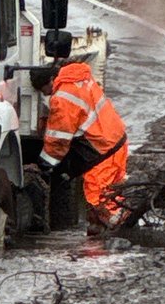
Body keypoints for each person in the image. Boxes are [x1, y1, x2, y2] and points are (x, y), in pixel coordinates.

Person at [28, 60, 128, 231]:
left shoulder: (62, 98)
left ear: (51, 80)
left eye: (45, 91)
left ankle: (118, 236)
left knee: (98, 201)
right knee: (113, 197)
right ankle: (110, 233)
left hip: (102, 149)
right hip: (116, 141)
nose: (47, 95)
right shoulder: (79, 78)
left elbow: (59, 140)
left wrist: (44, 165)